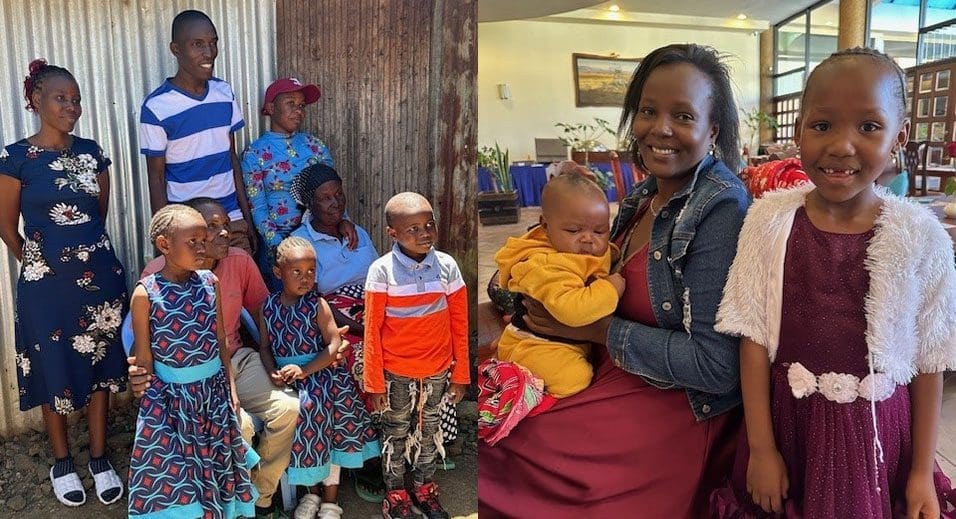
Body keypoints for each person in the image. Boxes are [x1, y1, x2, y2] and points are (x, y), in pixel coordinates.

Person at [479, 43, 750, 518]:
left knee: (510, 456)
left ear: (713, 130)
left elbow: (716, 365)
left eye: (683, 115)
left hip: (669, 402)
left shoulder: (719, 208)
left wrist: (592, 330)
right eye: (648, 110)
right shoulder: (642, 197)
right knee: (484, 421)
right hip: (602, 366)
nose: (659, 128)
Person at [710, 47, 956, 518]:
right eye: (822, 125)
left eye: (868, 127)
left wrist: (922, 470)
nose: (842, 146)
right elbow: (753, 337)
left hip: (880, 436)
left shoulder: (922, 237)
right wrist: (762, 449)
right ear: (800, 128)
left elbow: (932, 358)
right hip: (790, 428)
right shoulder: (767, 223)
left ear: (899, 136)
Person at [0, 59, 127, 508]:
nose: (71, 106)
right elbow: (6, 226)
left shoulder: (93, 153)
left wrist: (81, 260)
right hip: (45, 289)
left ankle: (98, 457)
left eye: (75, 99)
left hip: (99, 284)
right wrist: (39, 263)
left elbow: (99, 215)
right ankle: (61, 461)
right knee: (52, 367)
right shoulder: (15, 158)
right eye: (61, 98)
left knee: (98, 370)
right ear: (35, 101)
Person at [129, 197, 301, 518]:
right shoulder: (151, 282)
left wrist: (293, 355)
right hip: (182, 384)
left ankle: (258, 495)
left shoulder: (227, 270)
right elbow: (145, 349)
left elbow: (260, 318)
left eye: (224, 226)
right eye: (211, 229)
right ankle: (225, 503)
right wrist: (141, 377)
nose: (222, 235)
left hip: (231, 366)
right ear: (167, 244)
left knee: (289, 409)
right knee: (241, 427)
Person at [364, 192, 470, 519]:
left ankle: (425, 488)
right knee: (395, 434)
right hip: (396, 374)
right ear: (392, 233)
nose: (424, 233)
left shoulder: (448, 266)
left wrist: (461, 374)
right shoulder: (382, 272)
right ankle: (395, 495)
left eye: (429, 225)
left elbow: (460, 324)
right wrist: (375, 383)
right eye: (412, 229)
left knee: (428, 432)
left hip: (437, 372)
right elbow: (372, 332)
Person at [259, 236, 379, 519]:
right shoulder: (267, 307)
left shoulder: (318, 305)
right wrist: (272, 372)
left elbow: (333, 345)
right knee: (302, 427)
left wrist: (305, 370)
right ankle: (311, 495)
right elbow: (265, 346)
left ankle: (330, 500)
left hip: (324, 378)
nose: (305, 278)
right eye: (296, 272)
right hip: (291, 380)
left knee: (325, 425)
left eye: (311, 271)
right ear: (279, 273)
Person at [493, 174, 624, 398]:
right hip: (536, 346)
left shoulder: (577, 248)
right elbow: (572, 311)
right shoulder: (545, 265)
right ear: (545, 225)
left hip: (565, 343)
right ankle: (529, 399)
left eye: (600, 231)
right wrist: (611, 289)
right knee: (575, 378)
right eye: (574, 231)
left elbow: (599, 256)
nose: (588, 240)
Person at [140, 9, 256, 253]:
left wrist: (248, 220)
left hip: (230, 219)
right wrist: (164, 236)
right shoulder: (156, 107)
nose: (209, 53)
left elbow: (231, 158)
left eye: (213, 43)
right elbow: (157, 178)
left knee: (239, 287)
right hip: (187, 226)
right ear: (176, 49)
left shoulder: (223, 93)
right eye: (198, 44)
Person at [241, 77, 355, 290]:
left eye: (301, 105)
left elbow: (333, 192)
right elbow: (257, 207)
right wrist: (281, 246)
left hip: (320, 238)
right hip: (280, 243)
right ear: (271, 107)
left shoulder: (314, 146)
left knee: (326, 297)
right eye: (290, 104)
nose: (298, 110)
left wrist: (343, 220)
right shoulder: (254, 154)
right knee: (289, 304)